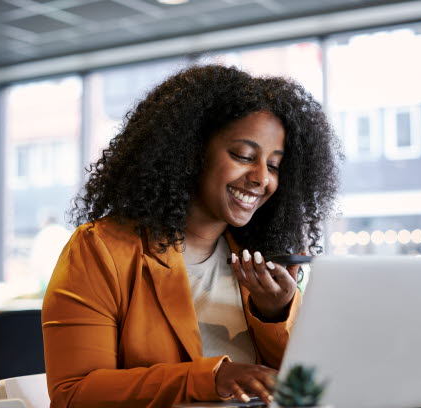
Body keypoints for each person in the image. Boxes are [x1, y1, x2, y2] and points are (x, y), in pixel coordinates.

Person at [42, 64, 340, 408]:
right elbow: (74, 395)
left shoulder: (260, 260)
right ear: (190, 151)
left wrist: (274, 314)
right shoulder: (101, 250)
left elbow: (301, 387)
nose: (262, 178)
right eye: (244, 156)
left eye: (274, 165)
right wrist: (213, 378)